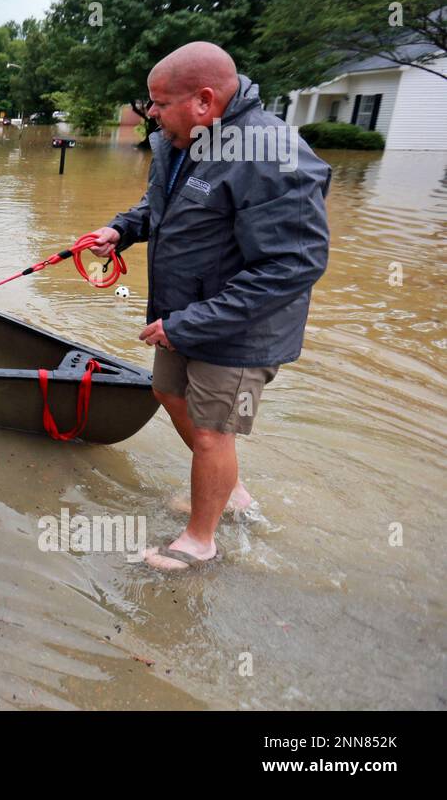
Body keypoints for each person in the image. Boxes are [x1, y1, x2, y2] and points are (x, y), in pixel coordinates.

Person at [87, 42, 331, 571]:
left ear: (203, 100)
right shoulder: (182, 138)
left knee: (210, 431)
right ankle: (232, 494)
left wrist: (192, 323)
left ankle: (200, 542)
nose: (149, 112)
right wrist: (122, 230)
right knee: (167, 391)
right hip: (182, 313)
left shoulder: (271, 155)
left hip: (240, 327)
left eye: (158, 102)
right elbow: (163, 204)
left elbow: (294, 265)